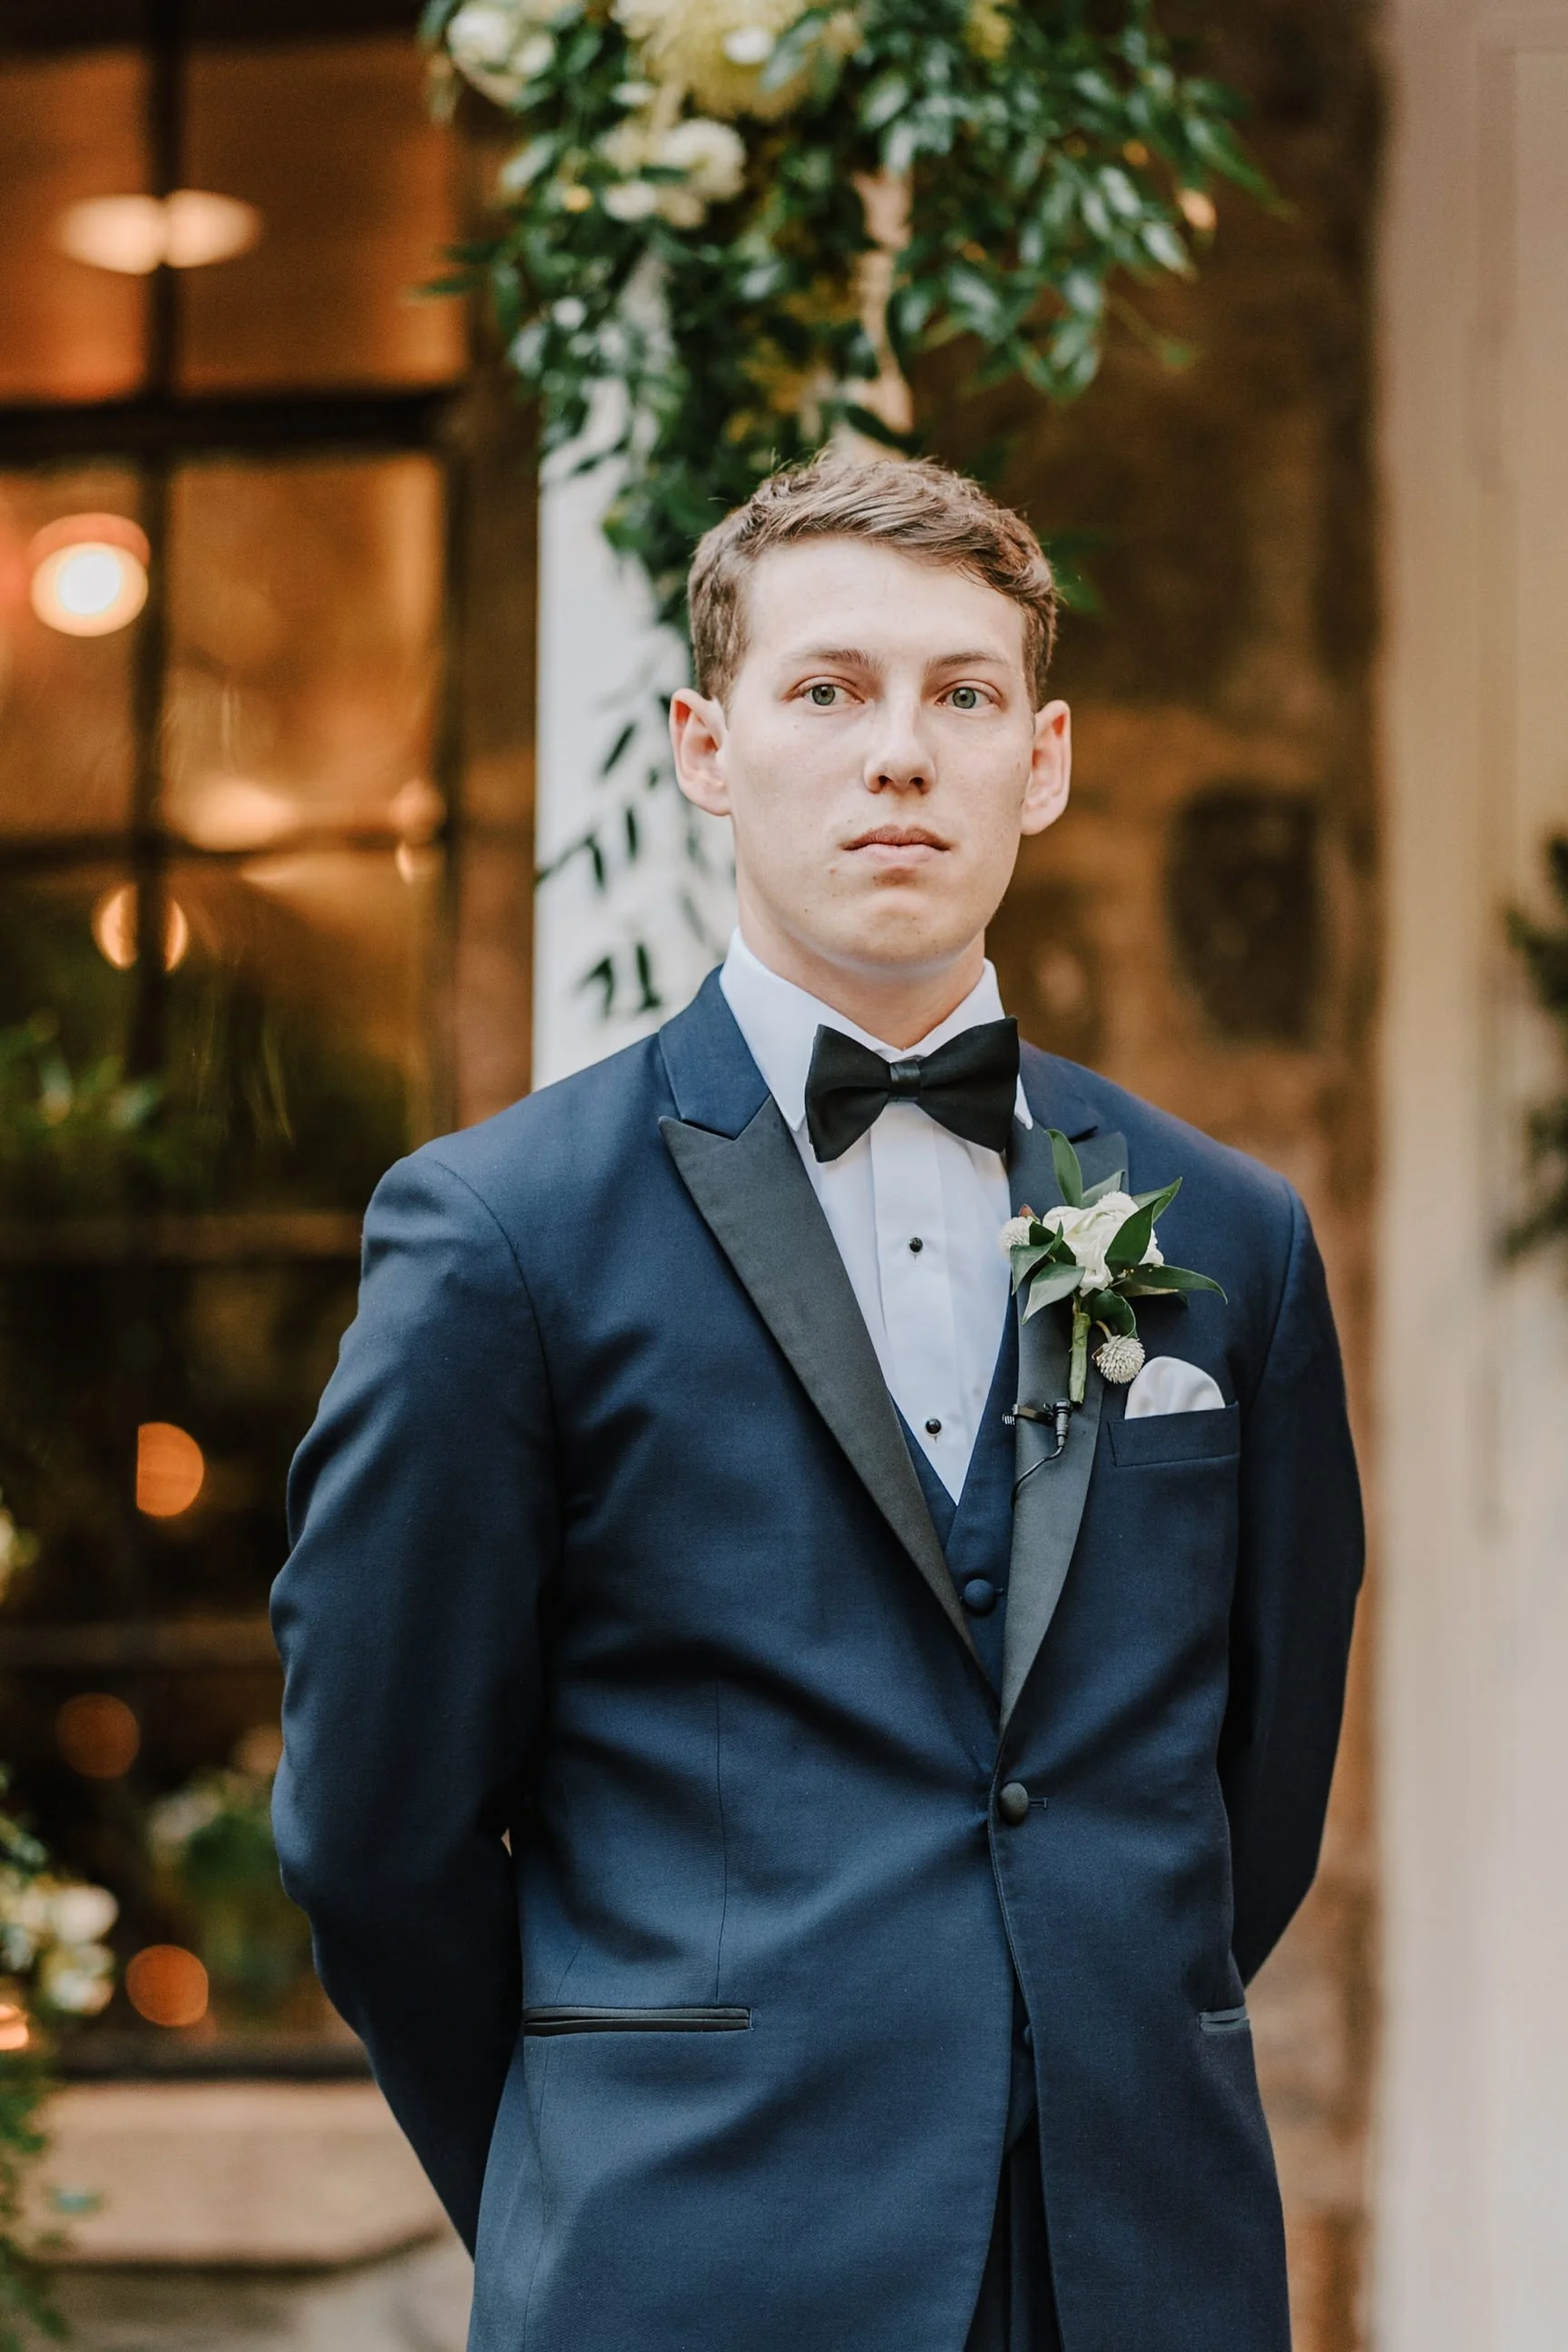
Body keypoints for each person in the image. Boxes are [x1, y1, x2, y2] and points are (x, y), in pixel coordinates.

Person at [271, 456, 1362, 2352]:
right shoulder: (500, 1238)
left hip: (1137, 2262)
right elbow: (376, 1832)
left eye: (963, 696)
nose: (900, 755)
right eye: (827, 690)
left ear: (1045, 760)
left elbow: (1259, 1782)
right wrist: (588, 2150)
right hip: (691, 2259)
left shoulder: (1237, 1242)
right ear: (707, 745)